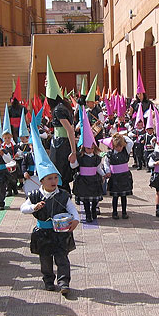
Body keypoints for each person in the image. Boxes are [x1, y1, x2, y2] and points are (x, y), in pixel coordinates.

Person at [20, 110, 79, 295]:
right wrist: (33, 207)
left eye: (56, 178)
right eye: (49, 179)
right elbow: (23, 208)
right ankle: (48, 280)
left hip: (60, 232)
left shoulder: (62, 195)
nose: (53, 181)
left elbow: (71, 209)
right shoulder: (36, 194)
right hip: (43, 232)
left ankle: (64, 283)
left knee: (62, 258)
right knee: (45, 259)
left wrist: (75, 219)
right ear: (42, 181)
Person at [46, 62, 77, 194]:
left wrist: (73, 150)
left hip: (60, 145)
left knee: (60, 172)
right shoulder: (64, 106)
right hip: (61, 142)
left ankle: (63, 197)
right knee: (62, 173)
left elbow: (69, 129)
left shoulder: (58, 110)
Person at [71, 109, 104, 223]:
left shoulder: (97, 158)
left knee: (94, 198)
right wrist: (72, 160)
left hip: (94, 179)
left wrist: (104, 175)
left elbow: (98, 168)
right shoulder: (81, 157)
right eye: (87, 148)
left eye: (91, 148)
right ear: (84, 147)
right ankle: (88, 214)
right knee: (85, 200)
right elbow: (74, 166)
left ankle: (94, 210)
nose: (89, 150)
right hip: (84, 180)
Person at [104, 133, 134, 219]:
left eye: (121, 146)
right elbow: (106, 163)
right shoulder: (109, 154)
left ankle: (124, 212)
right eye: (117, 146)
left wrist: (121, 136)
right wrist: (108, 171)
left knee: (124, 196)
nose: (119, 148)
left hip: (125, 176)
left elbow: (131, 142)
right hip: (115, 177)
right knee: (115, 196)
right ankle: (114, 212)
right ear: (113, 145)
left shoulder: (126, 151)